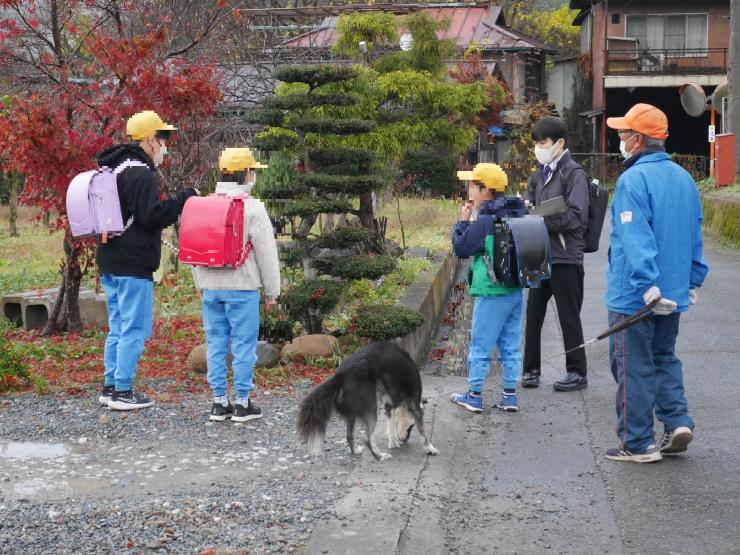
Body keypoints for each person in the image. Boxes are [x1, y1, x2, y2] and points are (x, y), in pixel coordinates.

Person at [603, 103, 708, 463]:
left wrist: (647, 284)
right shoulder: (684, 178)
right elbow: (695, 232)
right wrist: (693, 280)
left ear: (639, 139)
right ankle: (677, 421)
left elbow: (635, 236)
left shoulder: (632, 180)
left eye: (623, 133)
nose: (619, 138)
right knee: (663, 357)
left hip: (635, 295)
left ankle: (637, 443)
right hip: (675, 291)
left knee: (632, 365)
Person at [97, 110, 198, 410]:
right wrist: (184, 199)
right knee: (134, 327)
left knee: (118, 326)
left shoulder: (113, 169)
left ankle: (110, 385)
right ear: (150, 140)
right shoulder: (141, 173)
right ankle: (123, 391)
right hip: (133, 263)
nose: (166, 146)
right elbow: (151, 217)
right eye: (163, 139)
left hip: (110, 260)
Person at [192, 148, 280, 423]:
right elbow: (266, 252)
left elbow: (196, 249)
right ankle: (242, 402)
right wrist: (272, 291)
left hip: (211, 289)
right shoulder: (253, 207)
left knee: (216, 343)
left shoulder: (205, 204)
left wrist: (200, 283)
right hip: (242, 288)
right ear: (247, 174)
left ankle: (219, 402)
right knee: (244, 345)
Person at [450, 163, 527, 413]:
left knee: (481, 343)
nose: (468, 190)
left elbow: (462, 248)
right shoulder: (517, 212)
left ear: (487, 191)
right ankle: (509, 395)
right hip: (515, 289)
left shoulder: (486, 219)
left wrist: (462, 222)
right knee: (510, 343)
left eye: (472, 186)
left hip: (491, 291)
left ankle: (473, 394)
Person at [522, 117, 590, 391]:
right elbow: (529, 205)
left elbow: (576, 216)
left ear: (560, 143)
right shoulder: (538, 174)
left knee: (568, 317)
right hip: (538, 254)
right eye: (536, 142)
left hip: (565, 257)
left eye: (543, 142)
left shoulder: (573, 174)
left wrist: (540, 219)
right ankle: (531, 370)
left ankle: (577, 372)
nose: (539, 147)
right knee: (533, 316)